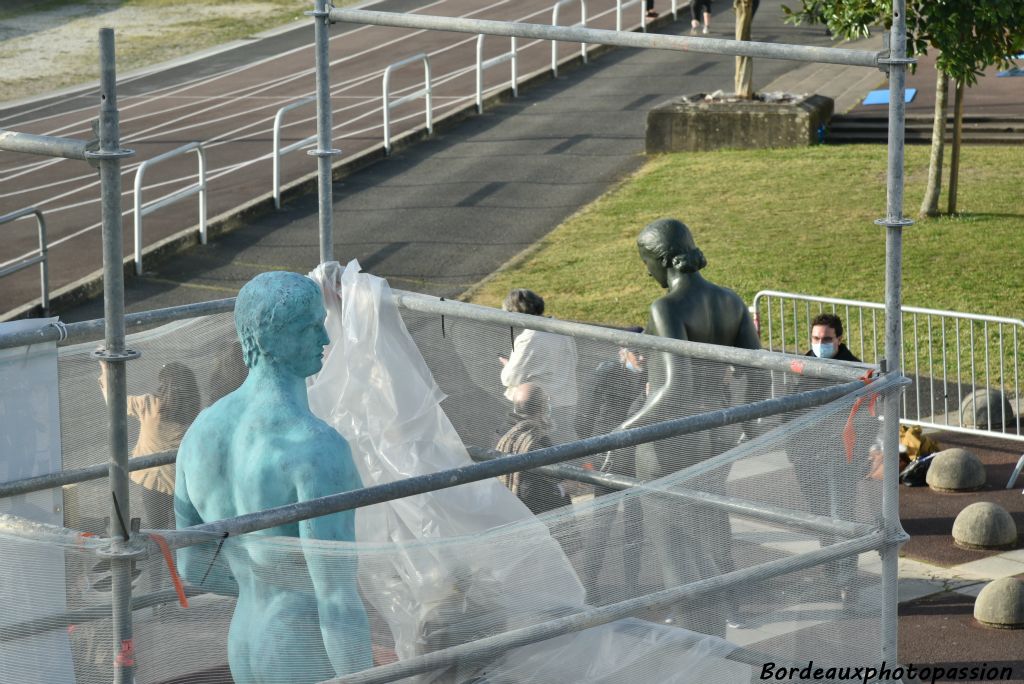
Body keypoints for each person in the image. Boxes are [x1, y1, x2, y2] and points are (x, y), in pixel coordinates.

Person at [175, 271, 371, 683]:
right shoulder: (317, 449)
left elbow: (191, 566)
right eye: (309, 327)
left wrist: (256, 583)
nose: (325, 338)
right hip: (300, 647)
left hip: (245, 638)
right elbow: (336, 598)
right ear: (268, 341)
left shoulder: (200, 433)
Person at [620, 218, 760, 635]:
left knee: (675, 549)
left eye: (646, 262)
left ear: (663, 260)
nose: (646, 271)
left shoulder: (667, 307)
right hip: (716, 433)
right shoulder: (731, 301)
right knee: (708, 531)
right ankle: (715, 628)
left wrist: (622, 432)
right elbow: (758, 372)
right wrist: (747, 423)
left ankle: (697, 645)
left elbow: (674, 388)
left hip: (670, 441)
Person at [795, 312, 863, 608]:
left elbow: (865, 417)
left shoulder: (855, 370)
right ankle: (831, 572)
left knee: (841, 518)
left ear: (839, 339)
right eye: (815, 339)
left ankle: (847, 582)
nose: (819, 344)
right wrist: (794, 452)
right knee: (821, 518)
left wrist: (855, 456)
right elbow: (791, 409)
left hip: (839, 458)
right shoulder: (804, 365)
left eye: (826, 339)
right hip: (808, 457)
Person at [99, 360, 200, 530]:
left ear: (164, 383)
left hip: (152, 481)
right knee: (182, 530)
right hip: (183, 483)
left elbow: (114, 400)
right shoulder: (193, 412)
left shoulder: (149, 404)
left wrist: (105, 368)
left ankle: (161, 557)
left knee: (157, 531)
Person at [500, 288, 579, 445]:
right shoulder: (562, 329)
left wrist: (507, 365)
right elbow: (573, 361)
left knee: (538, 447)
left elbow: (509, 378)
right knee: (567, 446)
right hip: (567, 401)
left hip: (540, 408)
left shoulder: (529, 338)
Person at [496, 383, 573, 514]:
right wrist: (563, 488)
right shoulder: (537, 442)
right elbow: (530, 490)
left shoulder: (502, 433)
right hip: (539, 517)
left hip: (508, 509)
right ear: (543, 408)